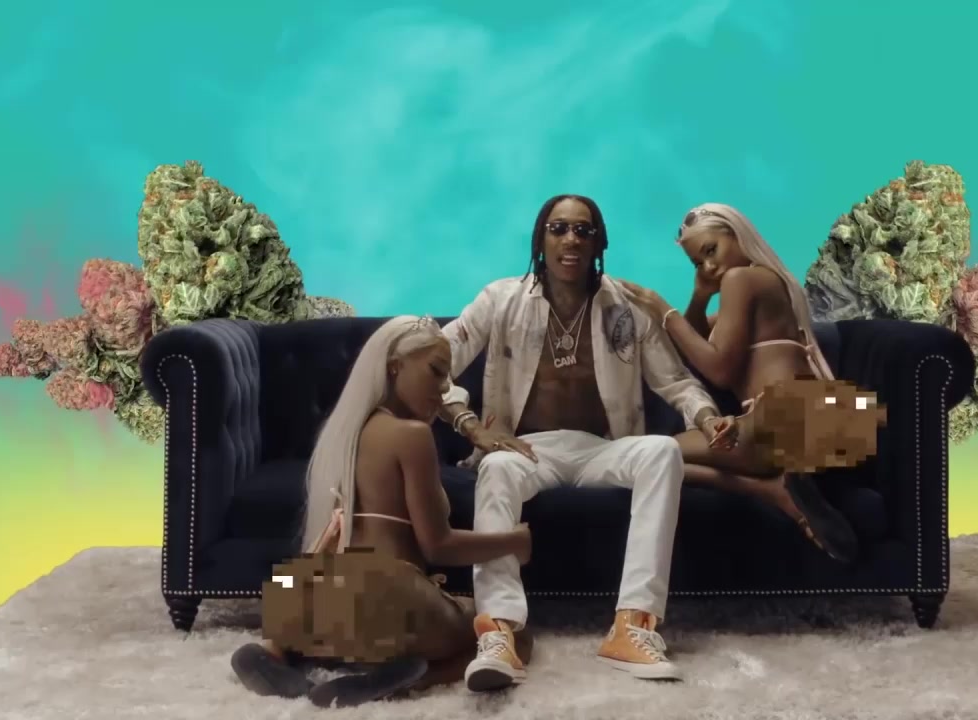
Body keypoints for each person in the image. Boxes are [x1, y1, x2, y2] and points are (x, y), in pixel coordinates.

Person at [435, 194, 735, 692]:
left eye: (583, 230)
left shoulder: (627, 306)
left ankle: (632, 626)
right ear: (540, 240)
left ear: (599, 243)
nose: (571, 239)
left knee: (662, 451)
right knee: (497, 468)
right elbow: (432, 358)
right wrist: (469, 425)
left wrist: (707, 418)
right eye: (558, 228)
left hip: (602, 448)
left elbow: (676, 382)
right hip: (527, 449)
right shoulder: (500, 299)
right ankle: (499, 633)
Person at [230, 315, 534, 707]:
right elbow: (438, 545)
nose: (445, 389)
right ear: (394, 366)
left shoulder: (343, 432)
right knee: (513, 637)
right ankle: (406, 680)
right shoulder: (412, 436)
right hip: (385, 596)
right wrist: (514, 541)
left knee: (301, 588)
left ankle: (276, 650)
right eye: (436, 372)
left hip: (311, 593)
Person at [617, 203, 864, 565]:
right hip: (820, 418)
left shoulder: (741, 280)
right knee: (650, 459)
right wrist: (700, 296)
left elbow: (718, 370)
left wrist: (661, 309)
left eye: (711, 250)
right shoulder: (767, 281)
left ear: (736, 234)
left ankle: (773, 491)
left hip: (784, 419)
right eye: (697, 263)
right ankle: (777, 487)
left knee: (642, 457)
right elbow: (696, 342)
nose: (709, 267)